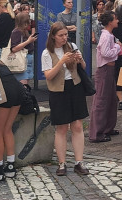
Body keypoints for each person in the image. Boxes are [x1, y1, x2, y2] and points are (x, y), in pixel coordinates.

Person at [42, 22, 90, 176]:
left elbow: (83, 67)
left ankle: (79, 162)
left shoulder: (72, 45)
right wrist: (61, 61)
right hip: (58, 91)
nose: (64, 38)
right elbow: (48, 76)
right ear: (53, 36)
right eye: (61, 35)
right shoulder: (46, 53)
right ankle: (62, 163)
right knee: (61, 127)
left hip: (75, 87)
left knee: (77, 125)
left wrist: (80, 60)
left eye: (65, 34)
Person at [91, 11, 122, 142]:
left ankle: (107, 128)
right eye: (115, 19)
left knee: (110, 99)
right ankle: (96, 133)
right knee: (101, 101)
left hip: (109, 69)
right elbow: (105, 53)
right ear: (110, 22)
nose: (117, 21)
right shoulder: (106, 36)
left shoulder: (110, 35)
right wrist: (117, 47)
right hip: (104, 70)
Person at [9, 13, 37, 84]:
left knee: (26, 82)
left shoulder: (24, 31)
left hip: (27, 60)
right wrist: (28, 41)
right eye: (28, 21)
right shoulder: (17, 32)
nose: (30, 23)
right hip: (22, 61)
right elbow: (14, 48)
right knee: (23, 83)